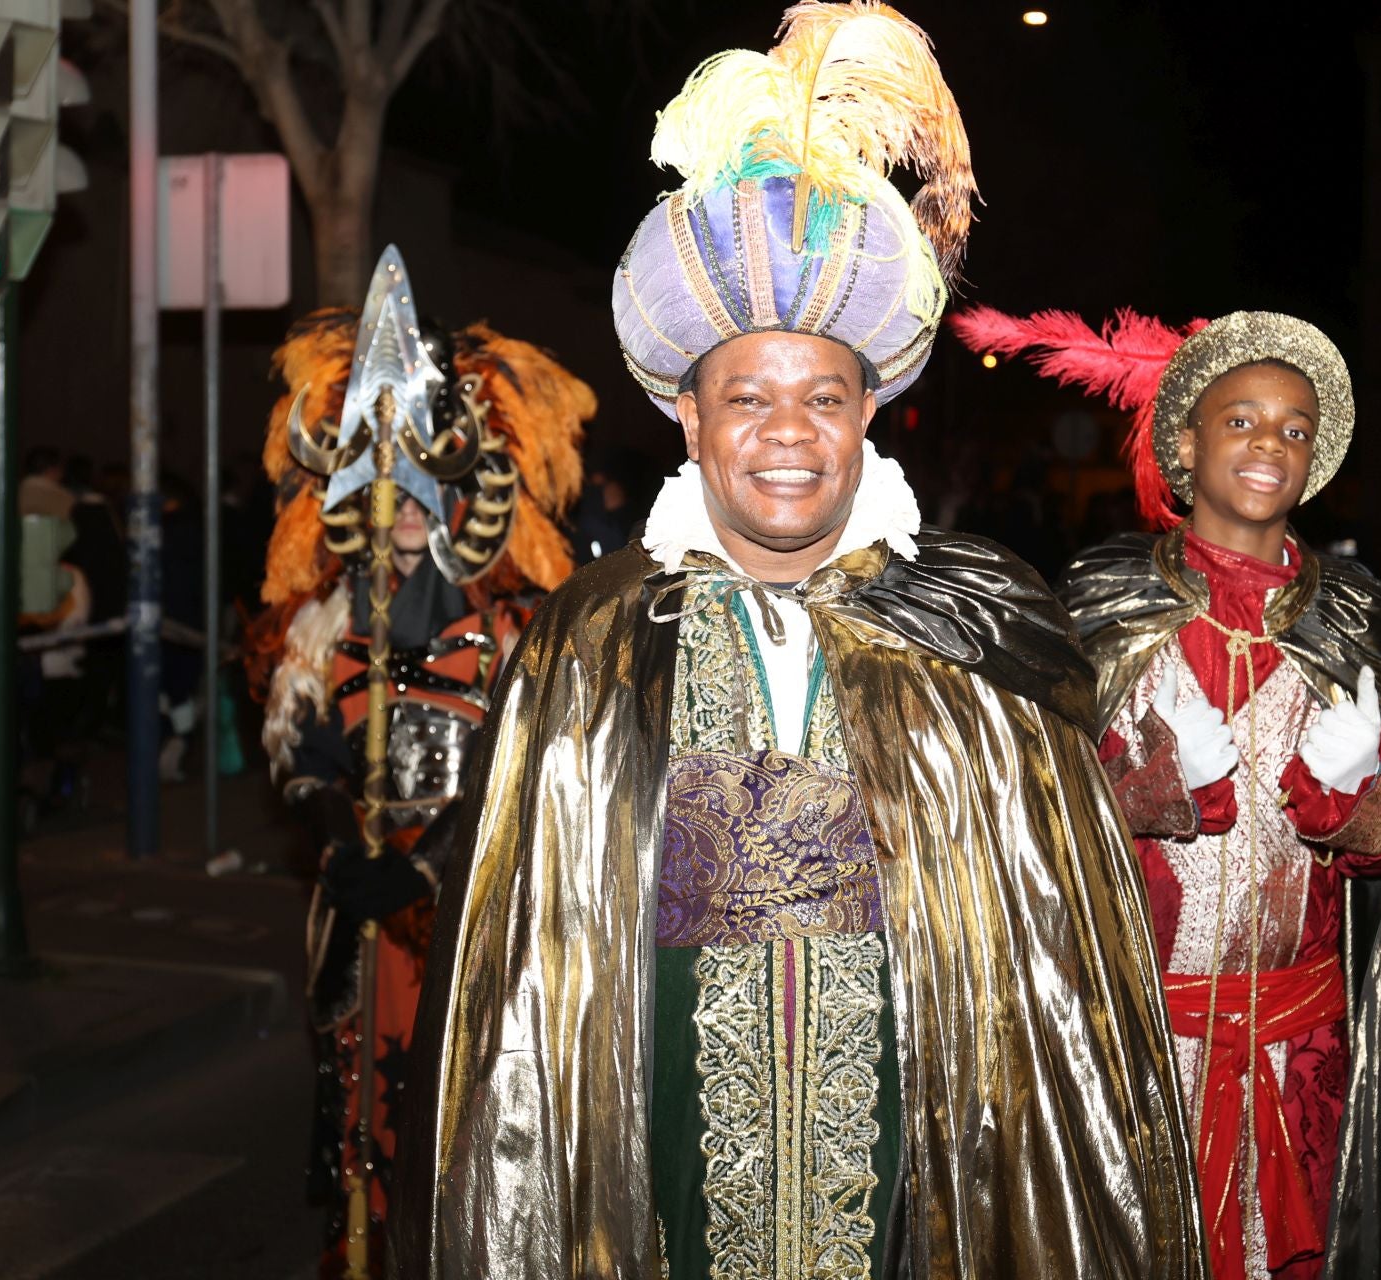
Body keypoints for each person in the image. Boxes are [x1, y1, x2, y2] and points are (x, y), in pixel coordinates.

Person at [391, 6, 1206, 1277]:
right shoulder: (587, 645)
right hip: (653, 1175)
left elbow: (1049, 986)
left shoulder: (963, 639)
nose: (786, 431)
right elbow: (521, 997)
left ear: (868, 411)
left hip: (914, 1182)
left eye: (820, 396)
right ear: (689, 418)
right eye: (747, 396)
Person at [957, 306, 1381, 1280]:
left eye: (1296, 427)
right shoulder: (1100, 603)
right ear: (1185, 443)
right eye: (1242, 419)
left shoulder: (1359, 619)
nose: (1271, 443)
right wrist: (1118, 798)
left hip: (1302, 1054)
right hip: (1138, 1049)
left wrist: (1367, 801)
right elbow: (1009, 809)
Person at [248, 246, 591, 1278]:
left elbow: (523, 775)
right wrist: (331, 840)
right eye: (382, 488)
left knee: (468, 1120)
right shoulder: (325, 623)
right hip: (361, 914)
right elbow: (302, 749)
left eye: (418, 492)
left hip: (472, 914)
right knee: (362, 1120)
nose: (401, 511)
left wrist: (427, 864)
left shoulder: (513, 636)